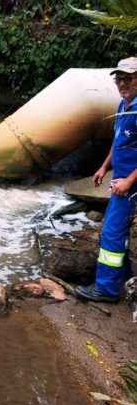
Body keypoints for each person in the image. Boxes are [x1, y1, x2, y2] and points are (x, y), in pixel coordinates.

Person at [76, 57, 137, 303]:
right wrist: (103, 167)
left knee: (112, 234)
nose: (122, 83)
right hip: (120, 180)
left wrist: (129, 182)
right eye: (119, 78)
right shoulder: (125, 105)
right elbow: (119, 141)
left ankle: (107, 290)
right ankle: (121, 278)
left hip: (130, 186)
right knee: (113, 233)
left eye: (129, 78)